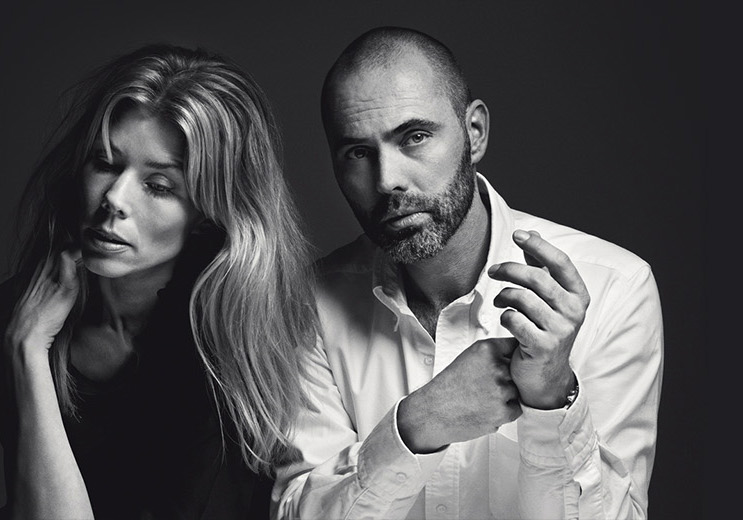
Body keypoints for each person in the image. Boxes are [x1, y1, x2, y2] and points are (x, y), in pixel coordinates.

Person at [273, 27, 666, 519]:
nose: (387, 180)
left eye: (415, 137)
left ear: (474, 132)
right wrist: (419, 424)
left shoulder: (614, 287)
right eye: (357, 153)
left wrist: (552, 399)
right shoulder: (306, 303)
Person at [0, 44, 317, 520]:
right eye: (105, 163)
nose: (115, 198)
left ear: (207, 212)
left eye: (158, 185)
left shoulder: (227, 340)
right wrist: (28, 349)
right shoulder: (9, 320)